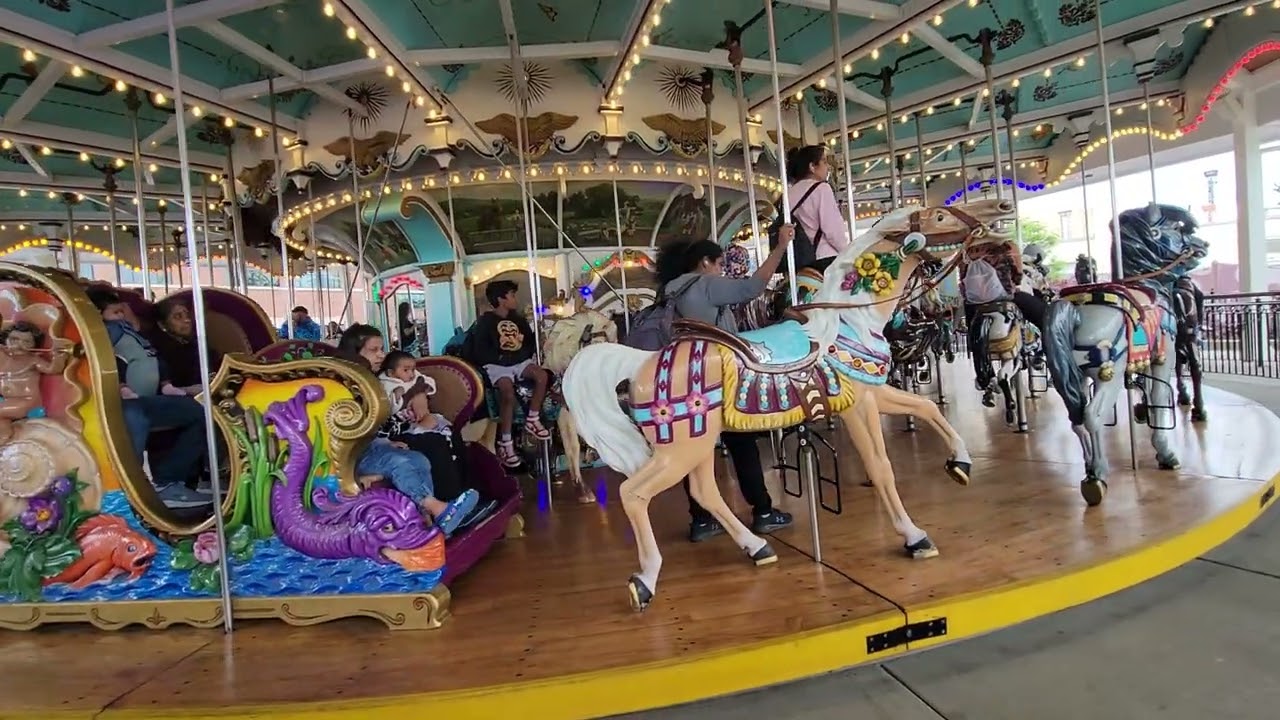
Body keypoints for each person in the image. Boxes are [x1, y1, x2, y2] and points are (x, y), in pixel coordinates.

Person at [656, 231, 797, 541]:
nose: (721, 269)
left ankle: (701, 519)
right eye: (719, 263)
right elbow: (752, 287)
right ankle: (762, 511)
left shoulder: (672, 292)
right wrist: (781, 247)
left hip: (688, 377)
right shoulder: (704, 284)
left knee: (693, 451)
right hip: (718, 375)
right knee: (742, 444)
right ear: (705, 262)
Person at [338, 326, 486, 537]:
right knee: (406, 458)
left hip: (378, 441)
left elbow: (378, 425)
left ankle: (429, 520)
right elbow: (361, 427)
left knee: (420, 458)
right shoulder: (352, 384)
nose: (381, 354)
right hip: (355, 452)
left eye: (381, 349)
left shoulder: (371, 379)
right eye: (374, 350)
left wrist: (388, 436)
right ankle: (439, 509)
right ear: (356, 351)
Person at [86, 287, 210, 509]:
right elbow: (107, 360)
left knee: (199, 411)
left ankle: (168, 481)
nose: (121, 315)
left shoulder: (130, 330)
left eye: (122, 311)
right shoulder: (102, 333)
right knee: (134, 417)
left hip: (145, 399)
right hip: (117, 402)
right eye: (116, 312)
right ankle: (129, 489)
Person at [471, 280, 553, 468]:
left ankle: (532, 417)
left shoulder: (519, 319)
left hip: (518, 361)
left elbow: (530, 342)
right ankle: (506, 441)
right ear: (501, 299)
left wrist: (521, 354)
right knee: (507, 393)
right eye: (512, 295)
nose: (515, 299)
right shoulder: (486, 322)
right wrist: (501, 357)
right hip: (498, 364)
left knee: (542, 376)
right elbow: (481, 349)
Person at [784, 144, 851, 274]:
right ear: (812, 167)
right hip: (824, 259)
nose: (828, 167)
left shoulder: (788, 194)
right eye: (824, 162)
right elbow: (833, 230)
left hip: (800, 261)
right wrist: (848, 251)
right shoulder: (821, 188)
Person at [147, 297, 224, 393]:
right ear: (162, 325)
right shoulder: (160, 351)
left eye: (187, 315)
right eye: (178, 317)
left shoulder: (195, 343)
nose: (187, 320)